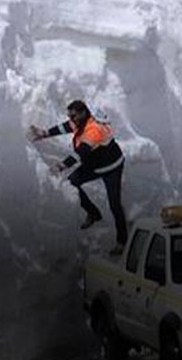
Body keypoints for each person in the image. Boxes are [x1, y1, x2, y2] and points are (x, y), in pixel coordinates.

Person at [28, 100, 128, 254]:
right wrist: (45, 133)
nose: (71, 119)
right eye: (69, 116)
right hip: (94, 164)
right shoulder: (80, 121)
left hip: (111, 168)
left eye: (73, 116)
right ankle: (93, 213)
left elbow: (80, 153)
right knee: (72, 183)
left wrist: (61, 166)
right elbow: (66, 127)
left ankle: (122, 241)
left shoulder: (94, 130)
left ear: (83, 113)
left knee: (114, 205)